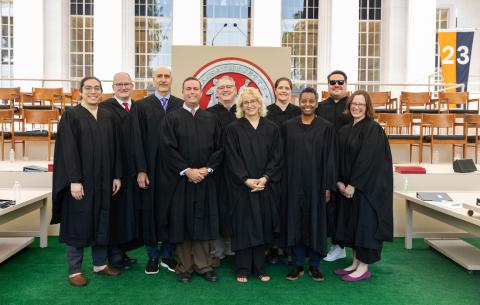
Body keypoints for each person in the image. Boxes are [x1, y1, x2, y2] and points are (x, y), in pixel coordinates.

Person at [51, 76, 122, 287]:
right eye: (89, 88)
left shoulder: (108, 116)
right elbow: (68, 151)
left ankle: (100, 264)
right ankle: (74, 271)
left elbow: (117, 148)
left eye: (97, 88)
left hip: (104, 179)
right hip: (81, 180)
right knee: (78, 223)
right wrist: (74, 180)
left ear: (102, 91)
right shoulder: (71, 116)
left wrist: (116, 175)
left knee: (103, 218)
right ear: (80, 91)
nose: (93, 91)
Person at [162, 77, 223, 284]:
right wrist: (187, 170)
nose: (192, 92)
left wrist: (205, 170)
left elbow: (220, 148)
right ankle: (184, 267)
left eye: (195, 89)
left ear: (201, 91)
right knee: (183, 222)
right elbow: (167, 148)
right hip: (182, 181)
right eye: (188, 89)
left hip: (206, 180)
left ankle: (204, 266)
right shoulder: (172, 118)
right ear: (183, 91)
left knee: (203, 223)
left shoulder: (212, 118)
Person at [224, 87, 283, 283]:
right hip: (241, 187)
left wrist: (265, 178)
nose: (249, 105)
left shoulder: (272, 128)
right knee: (243, 226)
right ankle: (242, 267)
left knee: (261, 226)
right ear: (241, 106)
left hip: (265, 186)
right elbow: (232, 158)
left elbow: (277, 157)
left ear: (260, 103)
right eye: (245, 103)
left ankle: (259, 267)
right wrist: (245, 180)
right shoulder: (233, 129)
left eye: (253, 101)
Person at [333, 90, 393, 282]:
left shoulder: (373, 129)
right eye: (353, 103)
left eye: (361, 104)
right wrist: (339, 181)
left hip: (367, 190)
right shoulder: (345, 129)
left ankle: (364, 267)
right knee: (353, 225)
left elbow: (367, 161)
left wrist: (354, 184)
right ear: (349, 106)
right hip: (347, 188)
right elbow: (338, 159)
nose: (356, 107)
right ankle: (355, 262)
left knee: (365, 226)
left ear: (367, 108)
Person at [131, 66, 183, 274]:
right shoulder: (142, 106)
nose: (163, 80)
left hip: (175, 171)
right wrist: (141, 170)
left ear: (172, 79)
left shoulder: (181, 105)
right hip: (151, 169)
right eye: (159, 76)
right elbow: (137, 139)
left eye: (166, 76)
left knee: (173, 211)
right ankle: (153, 255)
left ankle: (168, 254)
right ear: (153, 80)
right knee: (150, 212)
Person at [282, 87, 337, 281]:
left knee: (316, 223)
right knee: (295, 222)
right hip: (293, 183)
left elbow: (330, 159)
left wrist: (328, 186)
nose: (307, 104)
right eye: (304, 101)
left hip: (317, 184)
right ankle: (297, 264)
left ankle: (314, 265)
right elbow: (282, 157)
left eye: (311, 101)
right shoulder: (288, 126)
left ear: (316, 103)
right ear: (299, 102)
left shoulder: (326, 127)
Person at [99, 72, 140, 270]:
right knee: (114, 212)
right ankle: (113, 254)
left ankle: (122, 251)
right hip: (114, 169)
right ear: (113, 87)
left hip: (133, 169)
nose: (124, 87)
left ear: (132, 85)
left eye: (127, 84)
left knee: (127, 212)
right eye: (119, 84)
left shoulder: (138, 107)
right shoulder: (104, 108)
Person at [316, 70, 353, 262]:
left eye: (340, 82)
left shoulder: (353, 106)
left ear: (346, 84)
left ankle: (340, 246)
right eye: (332, 82)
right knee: (324, 206)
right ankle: (319, 243)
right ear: (327, 84)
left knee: (342, 208)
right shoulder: (320, 107)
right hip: (322, 163)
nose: (336, 85)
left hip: (346, 164)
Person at [265, 77, 300, 264]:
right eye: (281, 88)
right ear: (275, 90)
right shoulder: (267, 112)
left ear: (291, 91)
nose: (284, 91)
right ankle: (272, 248)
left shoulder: (299, 112)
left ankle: (288, 247)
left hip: (293, 167)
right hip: (272, 168)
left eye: (287, 88)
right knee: (273, 208)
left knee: (290, 208)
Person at [206, 76, 238, 267]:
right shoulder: (208, 114)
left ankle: (236, 247)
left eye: (229, 87)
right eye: (222, 87)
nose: (226, 90)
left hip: (239, 171)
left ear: (236, 90)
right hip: (216, 171)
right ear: (216, 92)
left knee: (237, 208)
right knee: (216, 208)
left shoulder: (244, 111)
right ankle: (217, 250)